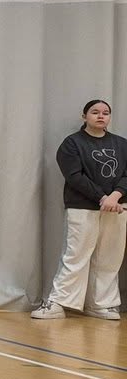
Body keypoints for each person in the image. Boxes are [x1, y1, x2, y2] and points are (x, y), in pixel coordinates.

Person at [33, 99, 125, 320]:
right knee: (75, 256)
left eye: (105, 112)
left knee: (109, 258)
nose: (101, 116)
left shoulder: (122, 144)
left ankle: (101, 304)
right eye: (95, 112)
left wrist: (115, 196)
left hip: (118, 208)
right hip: (83, 207)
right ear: (84, 116)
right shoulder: (72, 144)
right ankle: (58, 303)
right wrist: (102, 197)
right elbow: (74, 176)